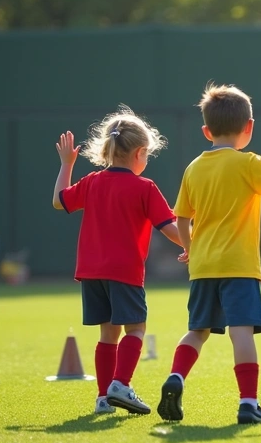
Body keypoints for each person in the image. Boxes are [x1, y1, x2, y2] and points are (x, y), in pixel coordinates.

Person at [159, 84, 261, 425]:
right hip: (240, 266)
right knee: (241, 332)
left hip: (203, 267)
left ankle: (176, 377)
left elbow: (182, 219)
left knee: (197, 331)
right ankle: (248, 403)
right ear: (248, 127)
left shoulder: (193, 168)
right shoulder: (248, 162)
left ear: (206, 131)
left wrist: (190, 250)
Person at [53, 108, 182, 416]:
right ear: (139, 153)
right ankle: (120, 384)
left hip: (91, 272)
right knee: (136, 329)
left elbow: (59, 201)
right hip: (125, 272)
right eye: (147, 154)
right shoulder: (145, 187)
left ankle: (103, 398)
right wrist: (195, 245)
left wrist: (66, 165)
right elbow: (171, 229)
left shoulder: (93, 181)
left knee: (107, 334)